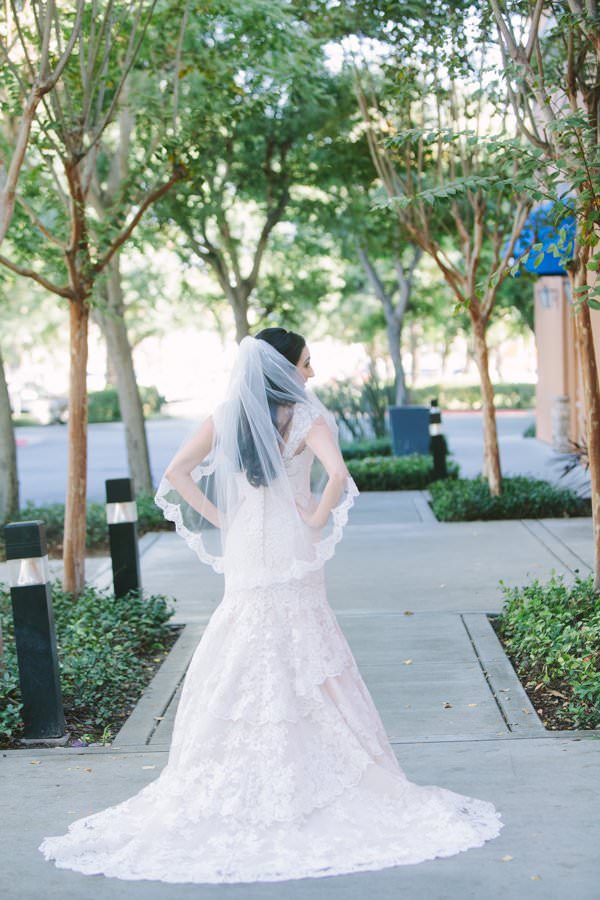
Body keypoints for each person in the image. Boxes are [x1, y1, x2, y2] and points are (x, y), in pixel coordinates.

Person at [39, 328, 503, 883]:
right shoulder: (306, 416)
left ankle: (235, 763)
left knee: (244, 638)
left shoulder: (230, 415)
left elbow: (175, 475)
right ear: (284, 369)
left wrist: (222, 521)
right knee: (304, 639)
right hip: (290, 542)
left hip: (246, 546)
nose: (311, 373)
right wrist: (312, 517)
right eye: (306, 363)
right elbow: (338, 476)